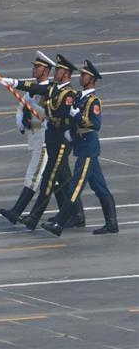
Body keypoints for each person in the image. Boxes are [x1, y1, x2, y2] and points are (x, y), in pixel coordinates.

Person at [0, 54, 84, 230]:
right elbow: (33, 87)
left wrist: (46, 120)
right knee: (63, 180)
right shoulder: (53, 89)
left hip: (60, 140)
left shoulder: (68, 94)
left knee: (48, 180)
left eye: (59, 70)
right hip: (51, 139)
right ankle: (74, 215)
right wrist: (13, 83)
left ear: (66, 74)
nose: (56, 72)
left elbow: (63, 115)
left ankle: (33, 217)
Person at [42, 60, 118, 236]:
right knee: (100, 187)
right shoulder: (78, 97)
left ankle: (59, 224)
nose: (81, 77)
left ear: (91, 79)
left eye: (84, 75)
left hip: (88, 148)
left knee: (75, 186)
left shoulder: (93, 101)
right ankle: (112, 224)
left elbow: (96, 125)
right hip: (81, 146)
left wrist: (79, 117)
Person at [0, 51, 53, 225]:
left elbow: (46, 113)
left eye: (37, 67)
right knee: (59, 181)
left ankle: (16, 212)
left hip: (45, 141)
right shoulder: (31, 90)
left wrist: (15, 84)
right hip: (34, 138)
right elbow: (21, 108)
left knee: (33, 176)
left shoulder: (49, 90)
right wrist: (22, 122)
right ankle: (76, 215)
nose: (34, 69)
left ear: (45, 70)